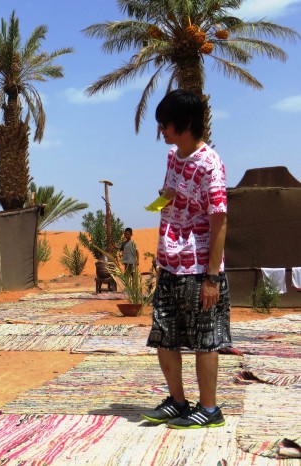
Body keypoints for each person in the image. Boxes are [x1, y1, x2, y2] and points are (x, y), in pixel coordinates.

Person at [140, 89, 231, 429]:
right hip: (170, 262)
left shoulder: (210, 164)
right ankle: (178, 402)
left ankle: (209, 409)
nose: (162, 130)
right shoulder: (172, 158)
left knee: (205, 337)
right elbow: (169, 195)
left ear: (186, 123)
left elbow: (219, 220)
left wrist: (211, 278)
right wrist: (160, 206)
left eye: (166, 124)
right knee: (164, 333)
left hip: (198, 267)